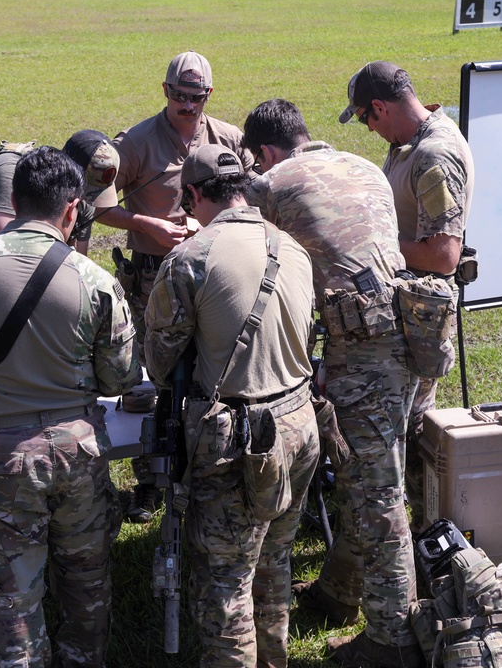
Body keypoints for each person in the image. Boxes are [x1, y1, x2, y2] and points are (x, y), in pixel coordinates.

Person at [0, 147, 140, 667]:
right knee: (86, 574)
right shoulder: (95, 281)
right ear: (72, 210)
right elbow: (121, 376)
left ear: (14, 200)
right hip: (79, 452)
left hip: (0, 455)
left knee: (11, 596)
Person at [244, 99, 422, 667]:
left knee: (377, 493)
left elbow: (252, 262)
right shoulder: (365, 166)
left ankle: (393, 640)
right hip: (409, 337)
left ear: (265, 152)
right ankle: (341, 593)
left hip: (363, 353)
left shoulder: (272, 182)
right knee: (369, 474)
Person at [145, 144, 319, 668]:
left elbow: (158, 359)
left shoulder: (190, 258)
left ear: (195, 194)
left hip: (239, 442)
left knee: (225, 587)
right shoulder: (291, 245)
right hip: (300, 423)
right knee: (274, 562)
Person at [100, 50, 255, 523]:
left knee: (212, 366)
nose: (189, 106)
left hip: (216, 272)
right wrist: (147, 223)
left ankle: (204, 468)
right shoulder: (138, 142)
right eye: (180, 96)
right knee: (154, 377)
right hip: (154, 273)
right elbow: (97, 204)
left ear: (209, 95)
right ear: (165, 91)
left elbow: (253, 193)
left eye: (198, 97)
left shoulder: (227, 138)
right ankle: (150, 482)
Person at [339, 61, 475, 532]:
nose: (369, 129)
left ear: (380, 107)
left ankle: (424, 535)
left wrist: (372, 244)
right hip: (406, 309)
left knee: (411, 434)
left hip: (417, 314)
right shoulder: (411, 144)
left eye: (365, 119)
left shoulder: (432, 156)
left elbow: (443, 254)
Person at [0, 129, 120, 258]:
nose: (86, 201)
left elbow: (77, 264)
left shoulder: (82, 205)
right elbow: (4, 251)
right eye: (84, 191)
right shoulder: (11, 174)